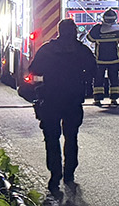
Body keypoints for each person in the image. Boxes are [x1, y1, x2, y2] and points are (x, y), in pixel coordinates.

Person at [27, 18, 95, 196]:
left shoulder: (48, 49)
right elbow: (93, 69)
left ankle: (55, 175)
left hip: (51, 99)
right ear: (74, 32)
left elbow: (34, 69)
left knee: (52, 138)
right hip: (73, 100)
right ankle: (69, 173)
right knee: (71, 137)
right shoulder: (81, 49)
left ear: (59, 31)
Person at [87, 8, 119, 106]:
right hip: (114, 60)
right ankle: (114, 99)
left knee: (98, 80)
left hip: (100, 60)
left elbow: (89, 38)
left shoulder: (97, 29)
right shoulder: (118, 29)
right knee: (114, 80)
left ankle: (98, 99)